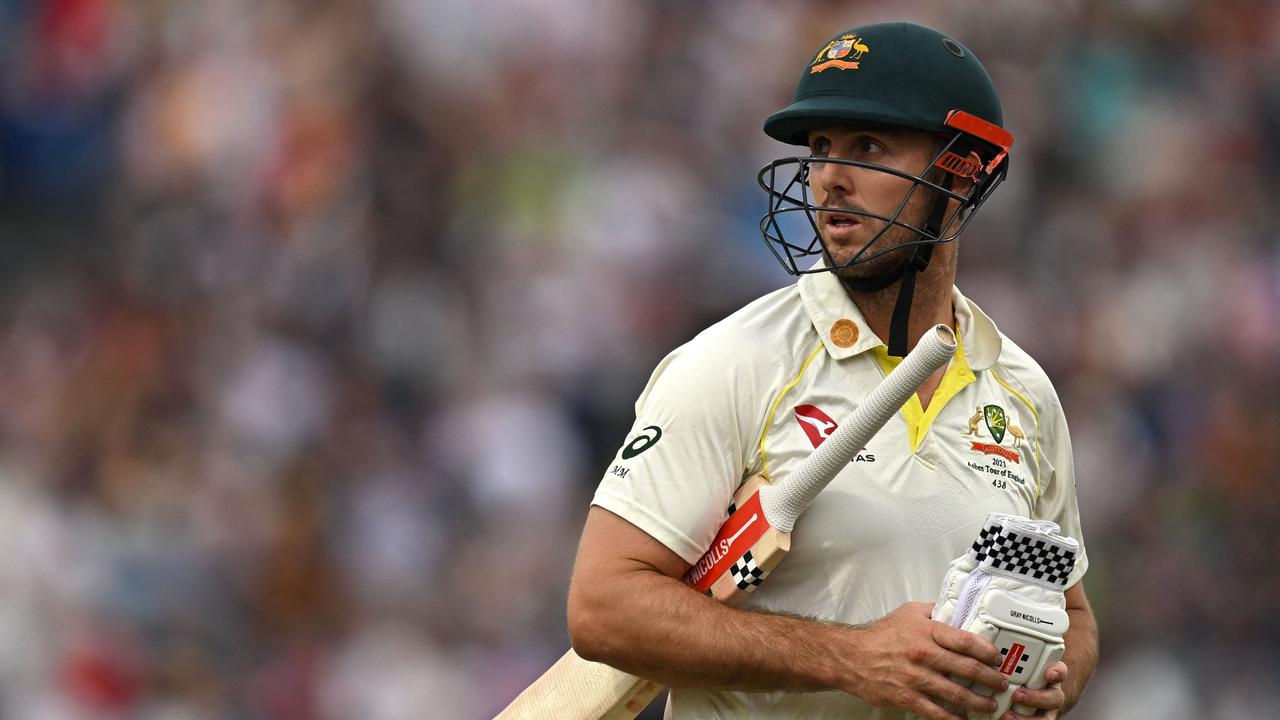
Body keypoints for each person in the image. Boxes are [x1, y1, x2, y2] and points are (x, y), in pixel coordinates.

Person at [567, 22, 1098, 720]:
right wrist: (850, 657)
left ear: (962, 169)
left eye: (868, 147)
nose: (829, 179)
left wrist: (1054, 678)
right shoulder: (736, 363)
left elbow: (1073, 614)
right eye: (820, 150)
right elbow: (604, 608)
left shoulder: (1021, 390)